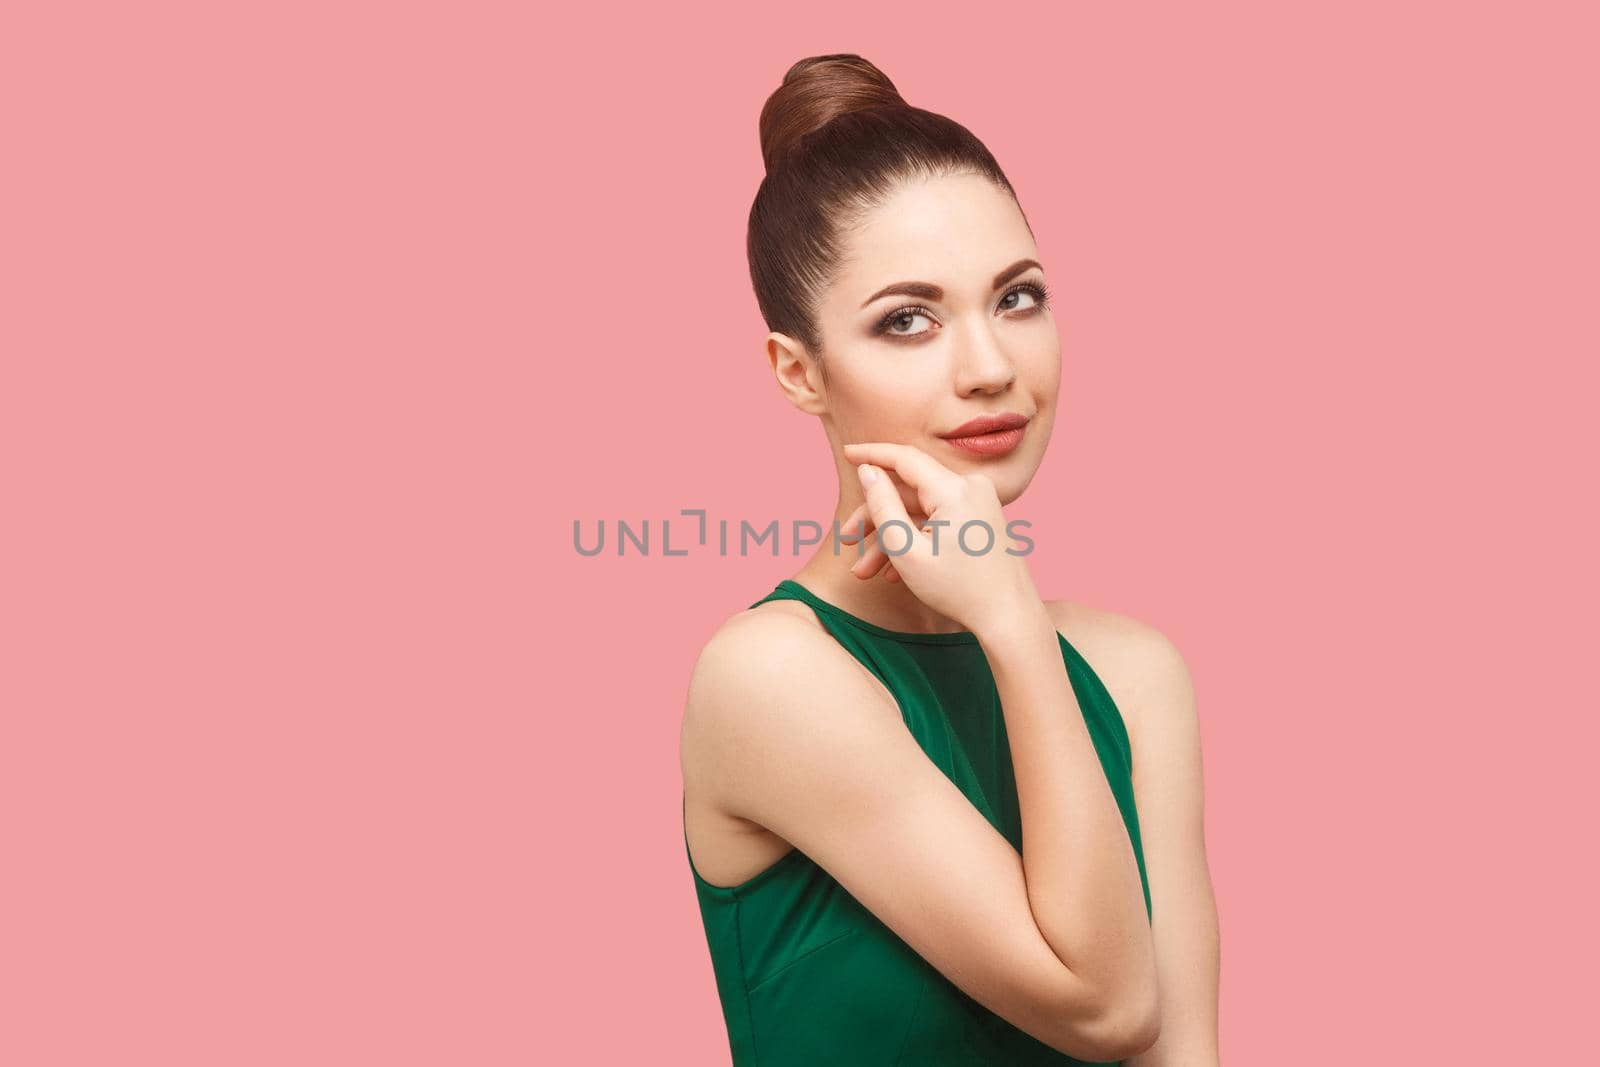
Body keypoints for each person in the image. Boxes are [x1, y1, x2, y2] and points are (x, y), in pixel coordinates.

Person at [679, 54, 1220, 1066]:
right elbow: (1105, 1007)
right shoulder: (771, 677)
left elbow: (1182, 1054)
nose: (989, 368)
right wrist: (1012, 624)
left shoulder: (1137, 672)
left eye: (1017, 299)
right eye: (907, 320)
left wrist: (1010, 615)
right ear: (799, 371)